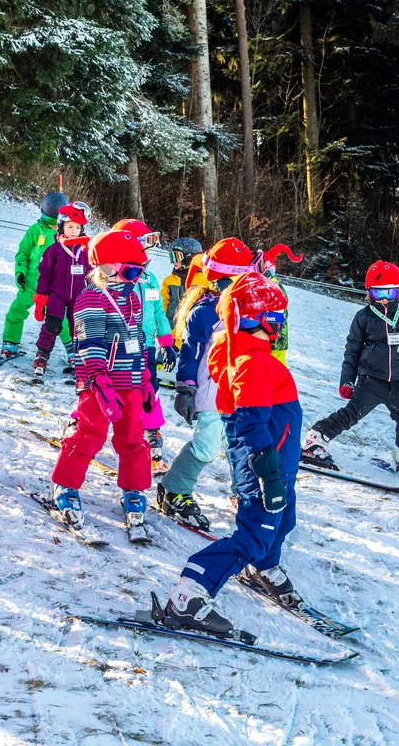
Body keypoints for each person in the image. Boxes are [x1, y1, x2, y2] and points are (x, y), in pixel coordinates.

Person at [162, 271, 301, 635]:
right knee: (254, 535)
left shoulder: (249, 355)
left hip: (279, 465)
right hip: (265, 469)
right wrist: (269, 476)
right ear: (248, 319)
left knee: (283, 521)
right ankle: (189, 593)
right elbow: (252, 427)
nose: (277, 326)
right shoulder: (252, 363)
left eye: (280, 317)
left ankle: (263, 566)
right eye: (272, 318)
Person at [49, 230, 154, 533]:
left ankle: (133, 488)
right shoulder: (92, 298)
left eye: (140, 272)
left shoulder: (132, 297)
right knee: (89, 434)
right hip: (99, 384)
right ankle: (65, 485)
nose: (136, 279)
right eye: (131, 272)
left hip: (130, 380)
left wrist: (145, 378)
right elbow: (89, 342)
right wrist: (98, 378)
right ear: (108, 267)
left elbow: (137, 338)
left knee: (133, 437)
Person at [158, 238, 264, 529]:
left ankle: (244, 494)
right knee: (206, 446)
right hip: (210, 392)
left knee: (241, 444)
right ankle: (174, 490)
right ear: (227, 279)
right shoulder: (206, 311)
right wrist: (185, 388)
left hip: (238, 392)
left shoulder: (246, 311)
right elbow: (190, 353)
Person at [302, 261, 399, 479]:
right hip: (371, 379)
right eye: (378, 293)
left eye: (390, 293)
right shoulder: (364, 317)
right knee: (351, 414)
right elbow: (352, 351)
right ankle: (314, 440)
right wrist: (347, 380)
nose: (384, 298)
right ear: (369, 292)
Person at [111, 220, 175, 468]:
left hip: (146, 345)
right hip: (118, 345)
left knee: (150, 386)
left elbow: (158, 312)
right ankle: (81, 421)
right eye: (143, 249)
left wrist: (166, 343)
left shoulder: (149, 279)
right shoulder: (113, 278)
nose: (147, 256)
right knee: (109, 386)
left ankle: (151, 430)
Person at [0, 191, 67, 361]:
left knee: (63, 320)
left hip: (54, 289)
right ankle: (9, 345)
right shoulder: (35, 230)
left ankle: (73, 352)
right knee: (16, 311)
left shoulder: (66, 235)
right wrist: (20, 273)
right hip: (30, 285)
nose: (53, 226)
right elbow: (23, 253)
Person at [31, 202, 91, 381]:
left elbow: (92, 274)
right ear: (61, 226)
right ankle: (42, 355)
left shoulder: (86, 250)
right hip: (57, 294)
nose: (74, 231)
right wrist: (41, 299)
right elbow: (44, 275)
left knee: (78, 329)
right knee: (52, 325)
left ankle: (80, 360)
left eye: (77, 227)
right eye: (70, 226)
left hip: (79, 297)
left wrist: (94, 296)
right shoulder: (54, 250)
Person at [161, 237, 204, 330]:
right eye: (172, 257)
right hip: (172, 330)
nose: (173, 261)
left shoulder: (203, 280)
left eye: (176, 257)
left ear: (189, 259)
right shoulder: (169, 281)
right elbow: (162, 304)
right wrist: (161, 325)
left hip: (194, 330)